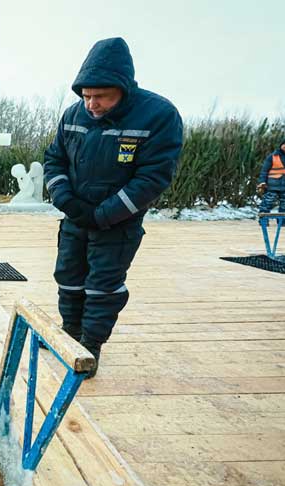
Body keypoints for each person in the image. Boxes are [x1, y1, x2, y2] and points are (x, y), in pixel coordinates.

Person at [44, 37, 184, 378]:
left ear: (122, 88)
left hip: (117, 223)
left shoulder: (158, 116)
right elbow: (54, 159)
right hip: (76, 216)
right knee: (69, 278)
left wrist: (104, 214)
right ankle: (70, 334)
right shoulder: (73, 115)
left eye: (100, 97)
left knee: (103, 285)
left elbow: (152, 178)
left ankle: (90, 346)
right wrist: (66, 200)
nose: (91, 104)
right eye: (86, 95)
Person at [257, 137, 285, 223]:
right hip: (272, 185)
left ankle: (283, 222)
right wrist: (262, 182)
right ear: (281, 145)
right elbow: (264, 170)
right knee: (267, 203)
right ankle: (263, 220)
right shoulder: (273, 156)